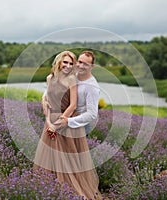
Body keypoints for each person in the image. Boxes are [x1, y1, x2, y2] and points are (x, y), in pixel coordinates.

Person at [33, 51, 101, 199]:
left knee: (73, 163)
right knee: (52, 158)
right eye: (79, 62)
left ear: (92, 66)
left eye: (85, 64)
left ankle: (72, 192)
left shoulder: (91, 86)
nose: (79, 65)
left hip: (75, 124)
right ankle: (50, 190)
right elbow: (49, 92)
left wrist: (62, 123)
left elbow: (91, 114)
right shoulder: (69, 75)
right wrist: (44, 102)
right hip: (57, 121)